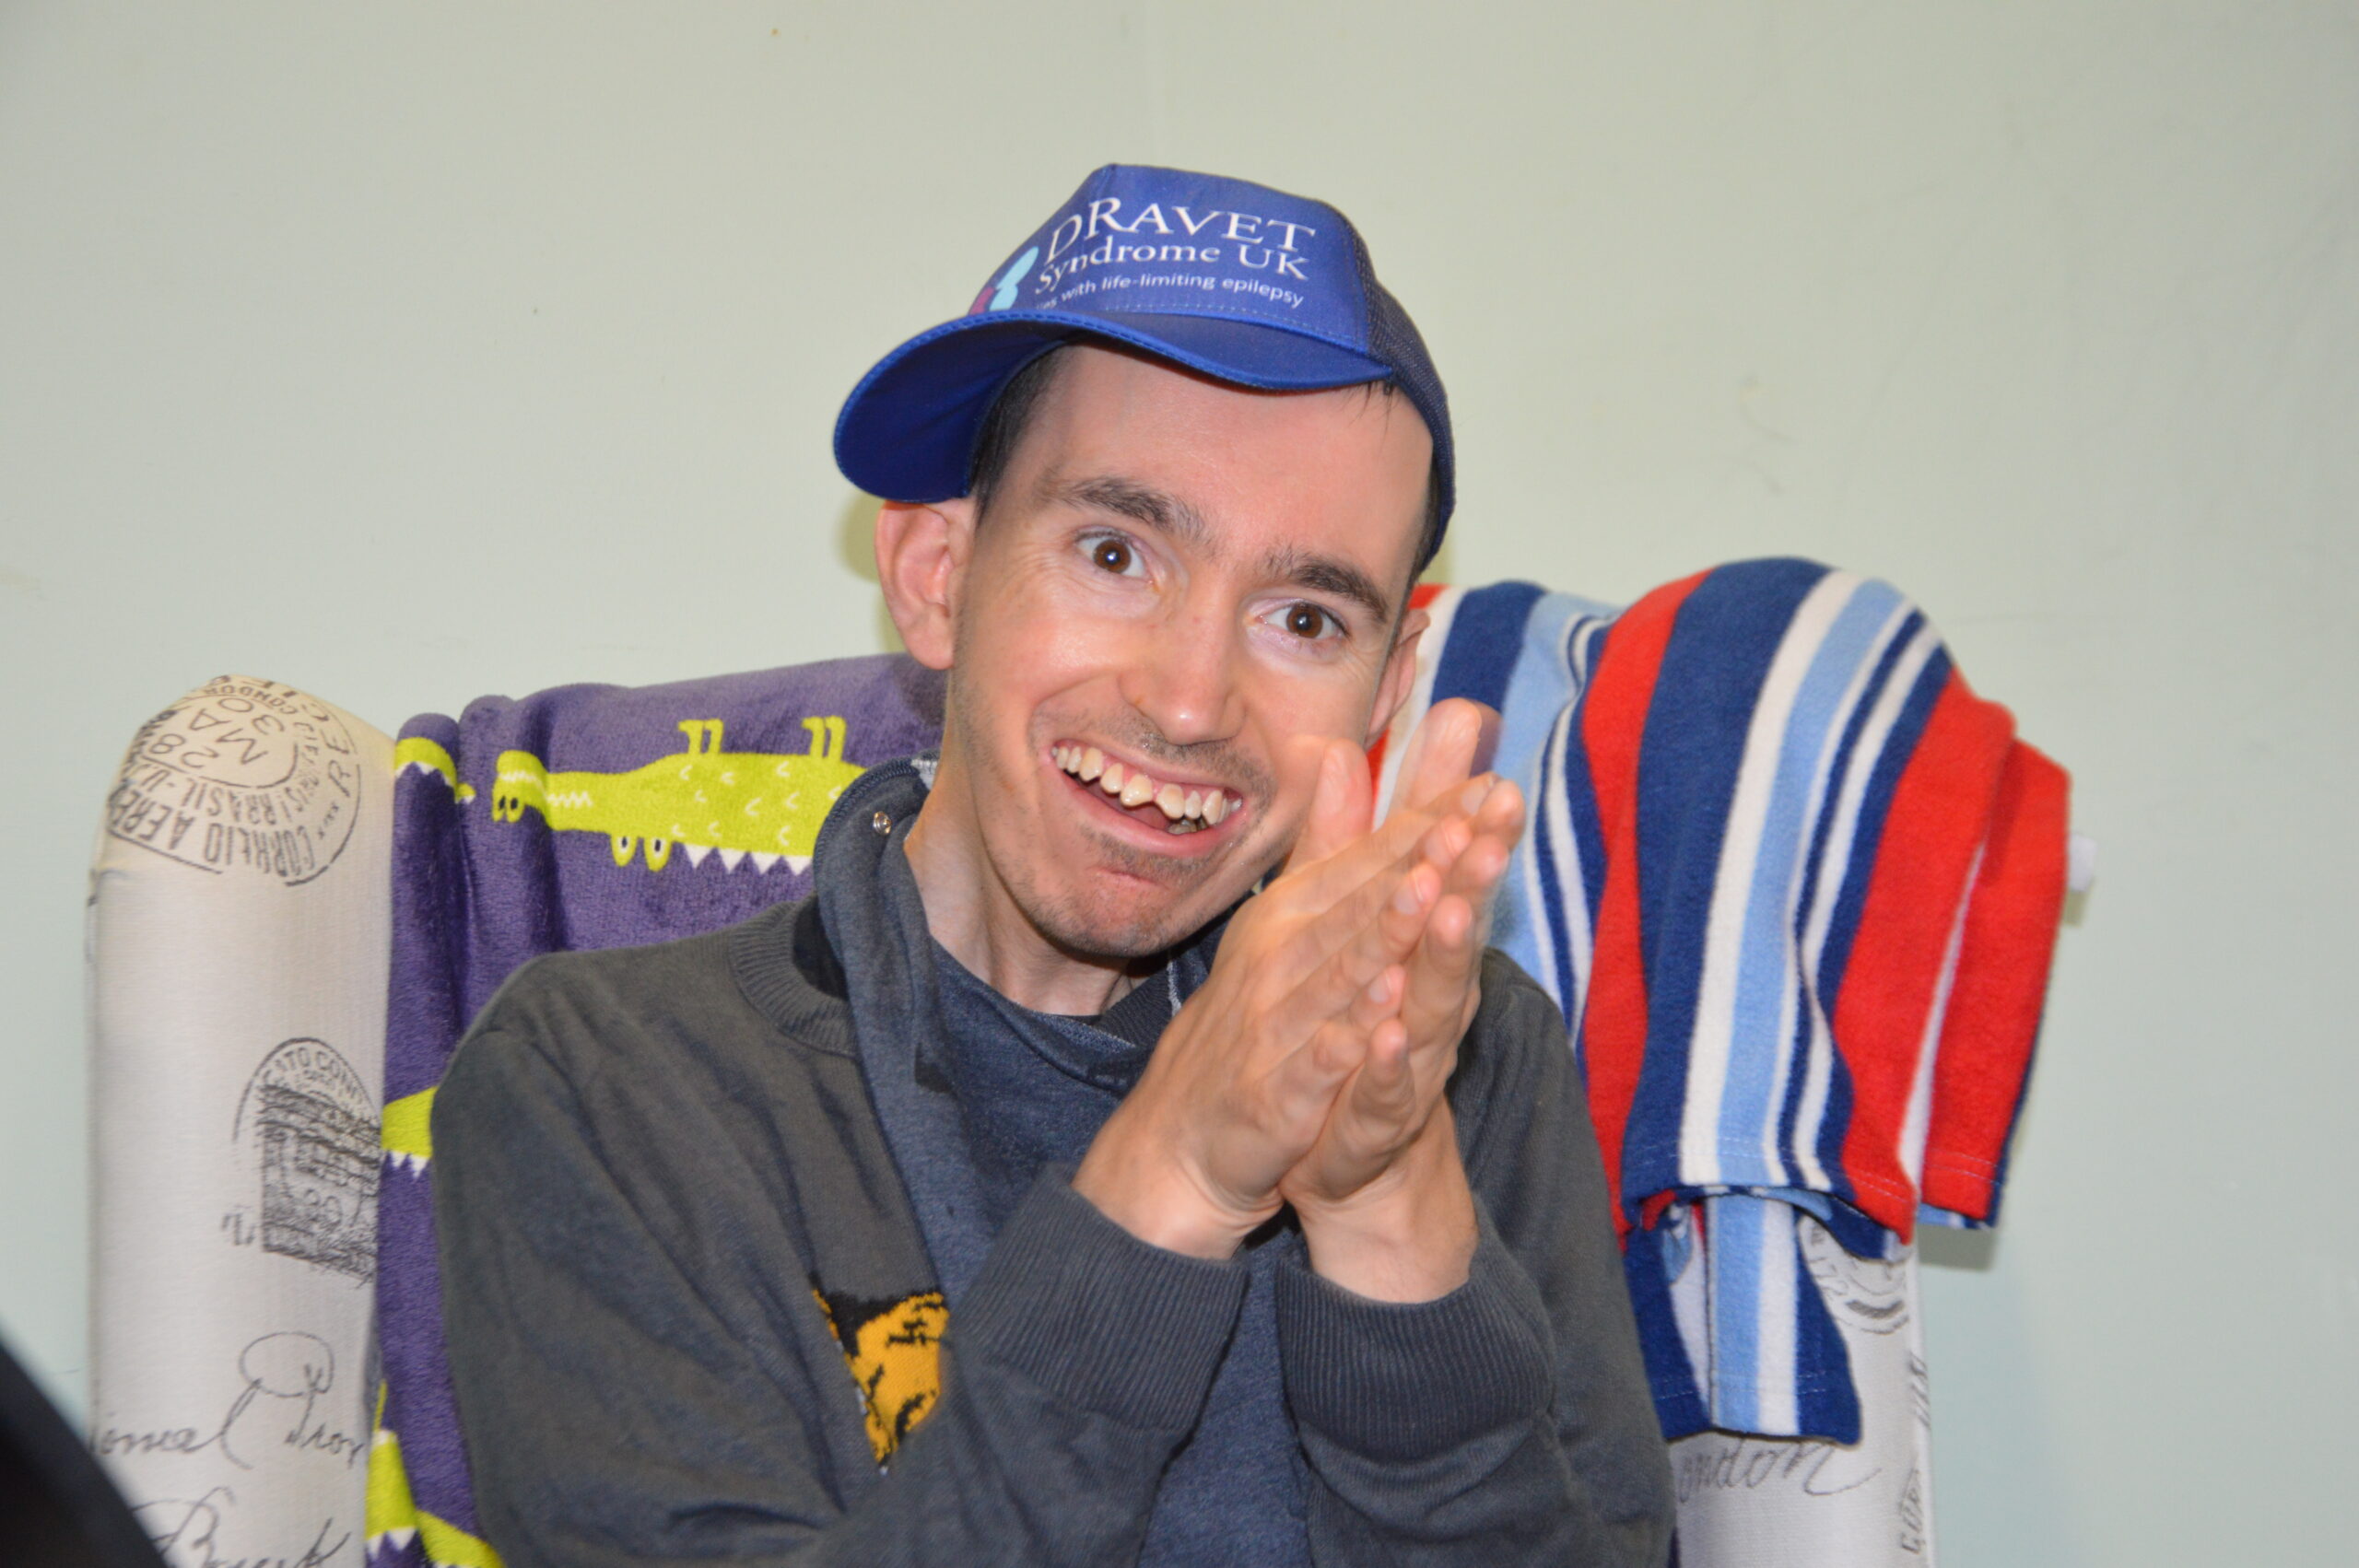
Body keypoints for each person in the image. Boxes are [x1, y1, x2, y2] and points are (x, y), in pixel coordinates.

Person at [432, 164, 1675, 1567]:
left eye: (1306, 618)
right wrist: (1175, 1177)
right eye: (1115, 550)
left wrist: (1387, 1212)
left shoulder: (1464, 1060)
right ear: (937, 576)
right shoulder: (610, 1086)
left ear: (1388, 686)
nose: (1193, 699)